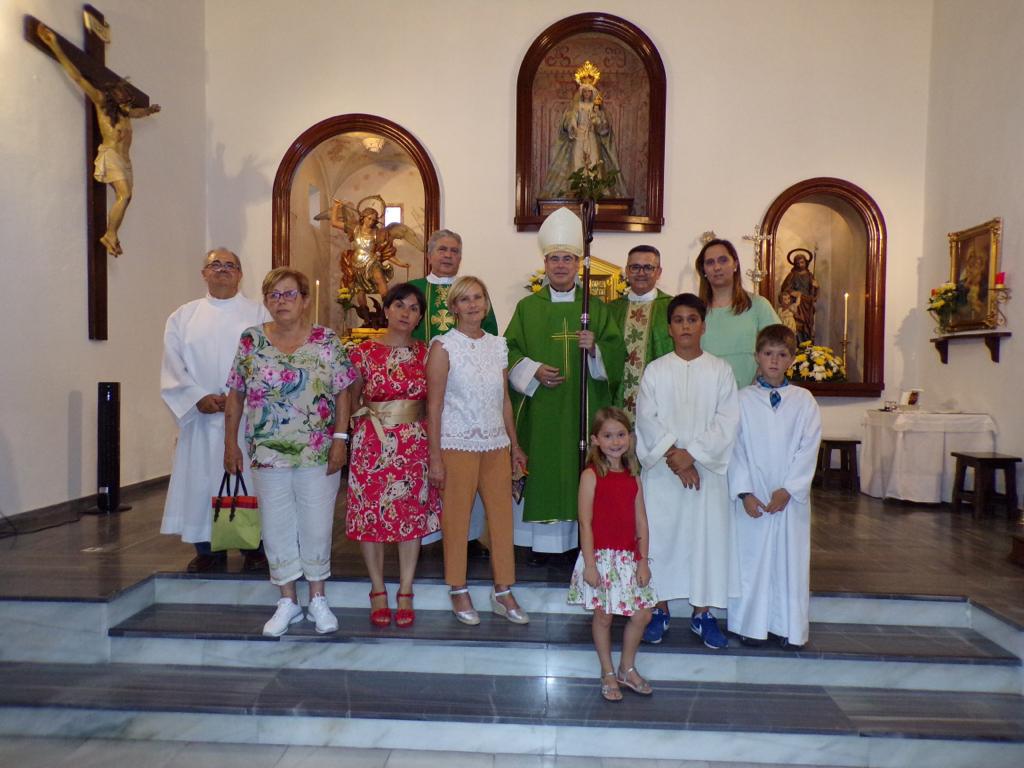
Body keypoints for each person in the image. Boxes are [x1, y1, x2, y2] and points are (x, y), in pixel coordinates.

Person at [225, 267, 356, 637]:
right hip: (267, 450)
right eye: (273, 295)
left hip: (317, 450)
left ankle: (317, 598)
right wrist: (229, 442)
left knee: (315, 522)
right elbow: (235, 392)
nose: (281, 302)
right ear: (265, 301)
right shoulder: (251, 341)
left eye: (289, 294)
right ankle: (287, 600)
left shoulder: (326, 341)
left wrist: (341, 439)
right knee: (276, 524)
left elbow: (344, 390)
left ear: (305, 301)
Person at [505, 207, 624, 556]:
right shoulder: (528, 308)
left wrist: (595, 351)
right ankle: (537, 546)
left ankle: (579, 544)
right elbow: (508, 352)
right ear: (545, 264)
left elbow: (616, 354)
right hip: (542, 409)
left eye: (567, 259)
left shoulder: (596, 308)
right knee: (544, 468)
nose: (560, 265)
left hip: (581, 408)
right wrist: (532, 370)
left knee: (580, 466)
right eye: (554, 258)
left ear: (577, 264)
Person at [635, 294, 739, 648]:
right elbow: (646, 419)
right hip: (665, 474)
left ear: (703, 326)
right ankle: (659, 608)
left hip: (705, 474)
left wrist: (691, 455)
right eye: (678, 320)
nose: (685, 326)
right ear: (669, 328)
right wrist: (675, 458)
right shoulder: (656, 370)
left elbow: (727, 421)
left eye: (692, 319)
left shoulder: (720, 370)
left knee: (705, 539)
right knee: (661, 538)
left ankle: (702, 613)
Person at [426, 276, 529, 625]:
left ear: (486, 303)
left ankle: (503, 589)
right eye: (465, 299)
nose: (473, 305)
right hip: (457, 443)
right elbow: (435, 405)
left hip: (495, 443)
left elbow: (503, 400)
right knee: (456, 518)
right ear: (453, 307)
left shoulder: (497, 346)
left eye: (478, 298)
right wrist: (435, 457)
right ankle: (458, 588)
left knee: (501, 519)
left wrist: (515, 444)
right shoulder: (443, 346)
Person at [161, 248, 270, 573]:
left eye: (230, 265)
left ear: (240, 274)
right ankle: (208, 550)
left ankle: (254, 548)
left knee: (250, 482)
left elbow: (269, 361)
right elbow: (172, 363)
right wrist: (197, 397)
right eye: (215, 265)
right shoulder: (183, 316)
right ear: (204, 273)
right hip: (202, 418)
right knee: (202, 481)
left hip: (248, 418)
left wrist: (242, 399)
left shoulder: (259, 314)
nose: (222, 270)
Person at [346, 283, 440, 628]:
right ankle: (377, 589)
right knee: (372, 517)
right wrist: (346, 439)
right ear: (386, 309)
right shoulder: (362, 352)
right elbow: (352, 400)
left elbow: (434, 404)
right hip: (371, 443)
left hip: (413, 443)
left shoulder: (427, 353)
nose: (405, 313)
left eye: (414, 308)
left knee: (408, 515)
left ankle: (405, 589)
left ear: (419, 317)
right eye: (399, 305)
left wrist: (434, 450)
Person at [728, 325, 821, 649]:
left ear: (792, 360)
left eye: (782, 355)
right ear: (757, 356)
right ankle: (750, 625)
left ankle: (789, 627)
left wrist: (790, 488)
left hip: (788, 499)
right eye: (768, 353)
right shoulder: (741, 399)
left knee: (789, 563)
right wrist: (745, 492)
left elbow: (809, 447)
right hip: (754, 497)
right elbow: (734, 448)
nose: (774, 360)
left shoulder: (803, 401)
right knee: (752, 562)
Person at [37, 23, 161, 256]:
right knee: (124, 195)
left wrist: (150, 110)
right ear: (114, 97)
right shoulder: (101, 103)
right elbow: (77, 77)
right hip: (111, 155)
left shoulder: (126, 113)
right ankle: (109, 234)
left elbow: (138, 112)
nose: (127, 104)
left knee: (127, 197)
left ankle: (113, 233)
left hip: (126, 161)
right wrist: (54, 46)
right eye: (124, 100)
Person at [411, 229, 496, 558]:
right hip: (421, 395)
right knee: (426, 465)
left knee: (468, 466)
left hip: (466, 399)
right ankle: (427, 534)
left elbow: (491, 338)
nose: (449, 255)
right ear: (430, 254)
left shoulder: (471, 293)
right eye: (443, 249)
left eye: (455, 251)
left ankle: (471, 536)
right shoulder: (416, 291)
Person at [568, 407, 656, 701]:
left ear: (630, 438)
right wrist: (590, 564)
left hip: (629, 558)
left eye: (620, 435)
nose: (615, 442)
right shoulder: (591, 475)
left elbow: (641, 520)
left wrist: (643, 560)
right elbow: (585, 521)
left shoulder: (634, 476)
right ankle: (607, 671)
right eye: (608, 436)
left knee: (642, 614)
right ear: (595, 440)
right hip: (602, 558)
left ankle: (626, 667)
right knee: (603, 616)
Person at [696, 239, 780, 388]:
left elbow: (778, 346)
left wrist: (757, 382)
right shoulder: (695, 311)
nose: (717, 267)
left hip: (752, 394)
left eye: (723, 260)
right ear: (703, 271)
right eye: (710, 262)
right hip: (705, 396)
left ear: (735, 264)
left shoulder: (758, 306)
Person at [540, 61, 628, 199]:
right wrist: (573, 126)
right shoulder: (577, 105)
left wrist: (597, 116)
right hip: (579, 136)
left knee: (594, 159)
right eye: (585, 91)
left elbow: (602, 126)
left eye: (589, 91)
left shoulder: (596, 106)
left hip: (592, 136)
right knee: (577, 159)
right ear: (581, 92)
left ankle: (595, 189)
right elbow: (571, 118)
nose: (587, 93)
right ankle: (577, 189)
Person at [605, 245, 674, 419]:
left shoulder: (672, 308)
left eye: (648, 267)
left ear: (659, 272)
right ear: (627, 271)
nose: (641, 273)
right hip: (618, 402)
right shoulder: (611, 310)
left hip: (661, 400)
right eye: (635, 267)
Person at [778, 249, 819, 343]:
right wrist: (793, 292)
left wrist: (816, 287)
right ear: (795, 264)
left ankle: (807, 345)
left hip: (807, 305)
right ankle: (797, 345)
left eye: (802, 262)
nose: (800, 265)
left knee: (807, 326)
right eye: (798, 263)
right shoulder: (792, 275)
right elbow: (785, 289)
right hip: (796, 303)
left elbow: (814, 295)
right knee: (796, 325)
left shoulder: (810, 275)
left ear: (806, 262)